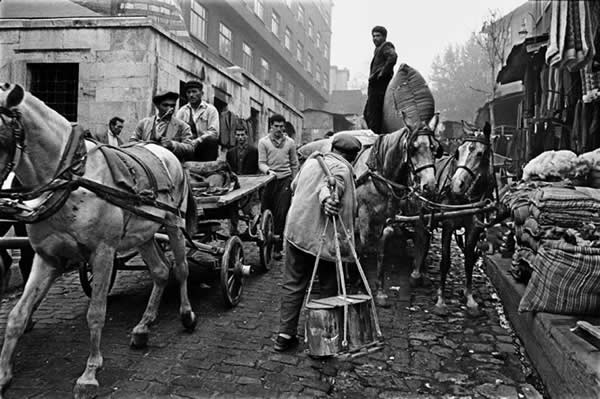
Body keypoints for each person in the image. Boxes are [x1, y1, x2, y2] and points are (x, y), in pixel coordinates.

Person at [274, 133, 362, 352]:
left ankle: (284, 336)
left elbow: (295, 187)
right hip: (324, 241)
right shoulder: (342, 170)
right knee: (329, 287)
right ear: (353, 157)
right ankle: (322, 341)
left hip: (296, 231)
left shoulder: (312, 161)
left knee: (293, 283)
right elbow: (332, 188)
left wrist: (322, 196)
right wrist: (327, 201)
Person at [258, 114, 299, 260]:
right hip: (269, 180)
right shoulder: (263, 142)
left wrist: (294, 182)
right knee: (265, 212)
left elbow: (294, 164)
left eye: (282, 126)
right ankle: (264, 243)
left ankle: (277, 247)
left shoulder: (290, 143)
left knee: (281, 214)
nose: (279, 129)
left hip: (284, 181)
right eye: (276, 126)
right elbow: (261, 163)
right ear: (270, 126)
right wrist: (269, 171)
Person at [130, 91, 194, 161]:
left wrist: (173, 145)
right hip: (146, 162)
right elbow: (132, 142)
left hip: (170, 165)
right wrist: (144, 145)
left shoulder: (182, 126)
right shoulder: (144, 123)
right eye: (165, 105)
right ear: (157, 106)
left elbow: (190, 148)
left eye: (173, 106)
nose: (170, 109)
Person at [363, 25, 397, 134]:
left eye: (378, 36)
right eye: (373, 36)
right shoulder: (377, 50)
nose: (375, 38)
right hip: (374, 87)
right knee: (367, 113)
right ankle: (376, 133)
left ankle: (377, 137)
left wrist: (382, 73)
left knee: (374, 115)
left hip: (380, 86)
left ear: (384, 37)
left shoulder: (386, 46)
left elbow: (393, 57)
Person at [176, 80, 220, 162]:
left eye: (194, 92)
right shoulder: (182, 111)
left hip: (204, 148)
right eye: (188, 92)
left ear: (201, 93)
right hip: (187, 149)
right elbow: (176, 131)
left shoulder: (210, 110)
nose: (191, 95)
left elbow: (214, 133)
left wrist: (197, 141)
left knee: (211, 141)